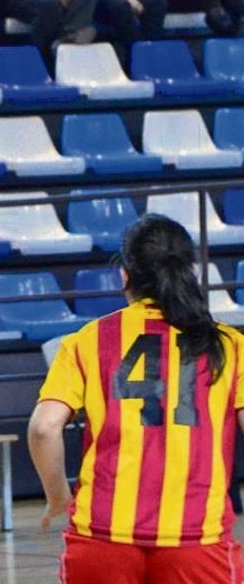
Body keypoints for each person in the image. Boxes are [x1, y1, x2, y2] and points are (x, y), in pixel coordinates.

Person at [29, 214, 244, 583]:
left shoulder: (88, 340)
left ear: (125, 276)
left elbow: (44, 427)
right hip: (195, 539)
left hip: (101, 535)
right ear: (188, 272)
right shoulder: (230, 346)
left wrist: (58, 498)